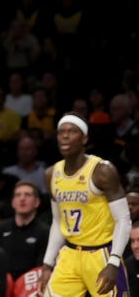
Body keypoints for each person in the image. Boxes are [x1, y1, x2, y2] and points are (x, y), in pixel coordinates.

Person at [39, 112, 131, 297]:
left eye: (72, 131)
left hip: (101, 253)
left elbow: (123, 219)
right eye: (61, 131)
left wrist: (113, 262)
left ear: (84, 138)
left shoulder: (102, 171)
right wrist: (47, 264)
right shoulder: (52, 174)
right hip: (70, 254)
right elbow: (58, 223)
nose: (65, 135)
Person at [0, 179, 48, 281]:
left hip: (31, 288)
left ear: (36, 202)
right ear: (13, 202)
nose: (22, 199)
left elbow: (42, 268)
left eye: (27, 195)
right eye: (18, 195)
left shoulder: (45, 232)